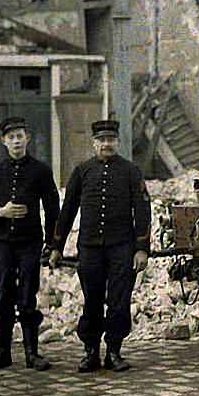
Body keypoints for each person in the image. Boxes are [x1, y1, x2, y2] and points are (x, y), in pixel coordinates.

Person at [49, 120, 151, 372]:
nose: (106, 144)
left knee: (119, 301)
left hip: (122, 248)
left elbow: (142, 210)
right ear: (94, 143)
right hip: (90, 248)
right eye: (101, 140)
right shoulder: (82, 171)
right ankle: (91, 352)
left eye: (111, 140)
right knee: (92, 300)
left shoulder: (131, 171)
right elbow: (68, 210)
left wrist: (141, 248)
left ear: (118, 142)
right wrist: (56, 246)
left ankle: (114, 352)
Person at [0, 116, 60, 371]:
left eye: (20, 136)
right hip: (3, 243)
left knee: (26, 296)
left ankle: (32, 353)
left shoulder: (41, 170)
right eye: (11, 137)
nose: (16, 141)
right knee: (4, 295)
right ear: (4, 141)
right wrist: (0, 212)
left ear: (27, 139)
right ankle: (3, 353)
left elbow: (52, 209)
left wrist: (51, 243)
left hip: (30, 243)